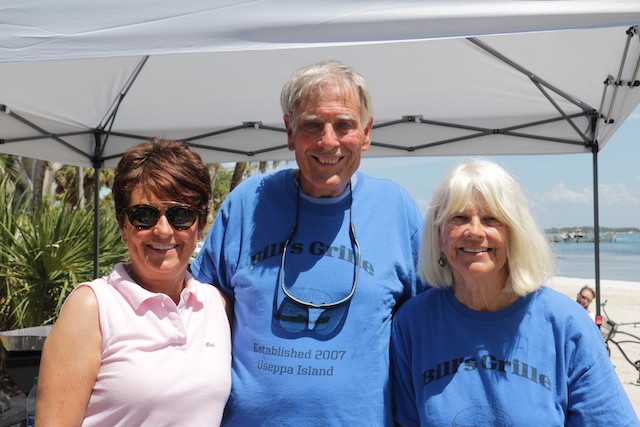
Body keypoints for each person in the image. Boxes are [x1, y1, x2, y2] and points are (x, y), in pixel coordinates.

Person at [191, 60, 424, 426]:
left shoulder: (396, 209)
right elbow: (198, 307)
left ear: (366, 133)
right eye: (312, 125)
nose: (328, 141)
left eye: (344, 125)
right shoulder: (247, 203)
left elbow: (428, 323)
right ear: (290, 131)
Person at [391, 159, 639, 426]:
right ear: (439, 234)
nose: (474, 231)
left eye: (491, 219)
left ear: (515, 233)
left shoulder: (566, 324)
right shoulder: (413, 324)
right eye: (459, 218)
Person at [36, 139, 231, 426]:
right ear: (122, 224)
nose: (163, 230)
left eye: (180, 215)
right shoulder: (92, 307)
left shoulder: (215, 305)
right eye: (144, 215)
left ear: (200, 225)